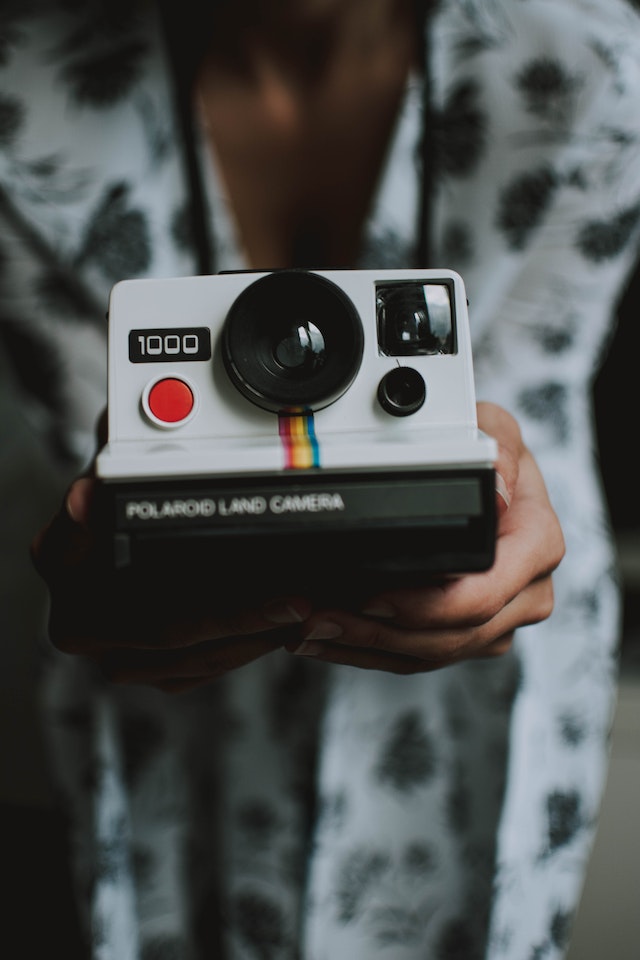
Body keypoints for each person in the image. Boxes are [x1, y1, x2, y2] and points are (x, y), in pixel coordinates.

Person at [2, 0, 639, 956]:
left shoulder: (589, 67)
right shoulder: (21, 93)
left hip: (468, 706)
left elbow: (526, 424)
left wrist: (502, 492)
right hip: (171, 716)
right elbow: (103, 460)